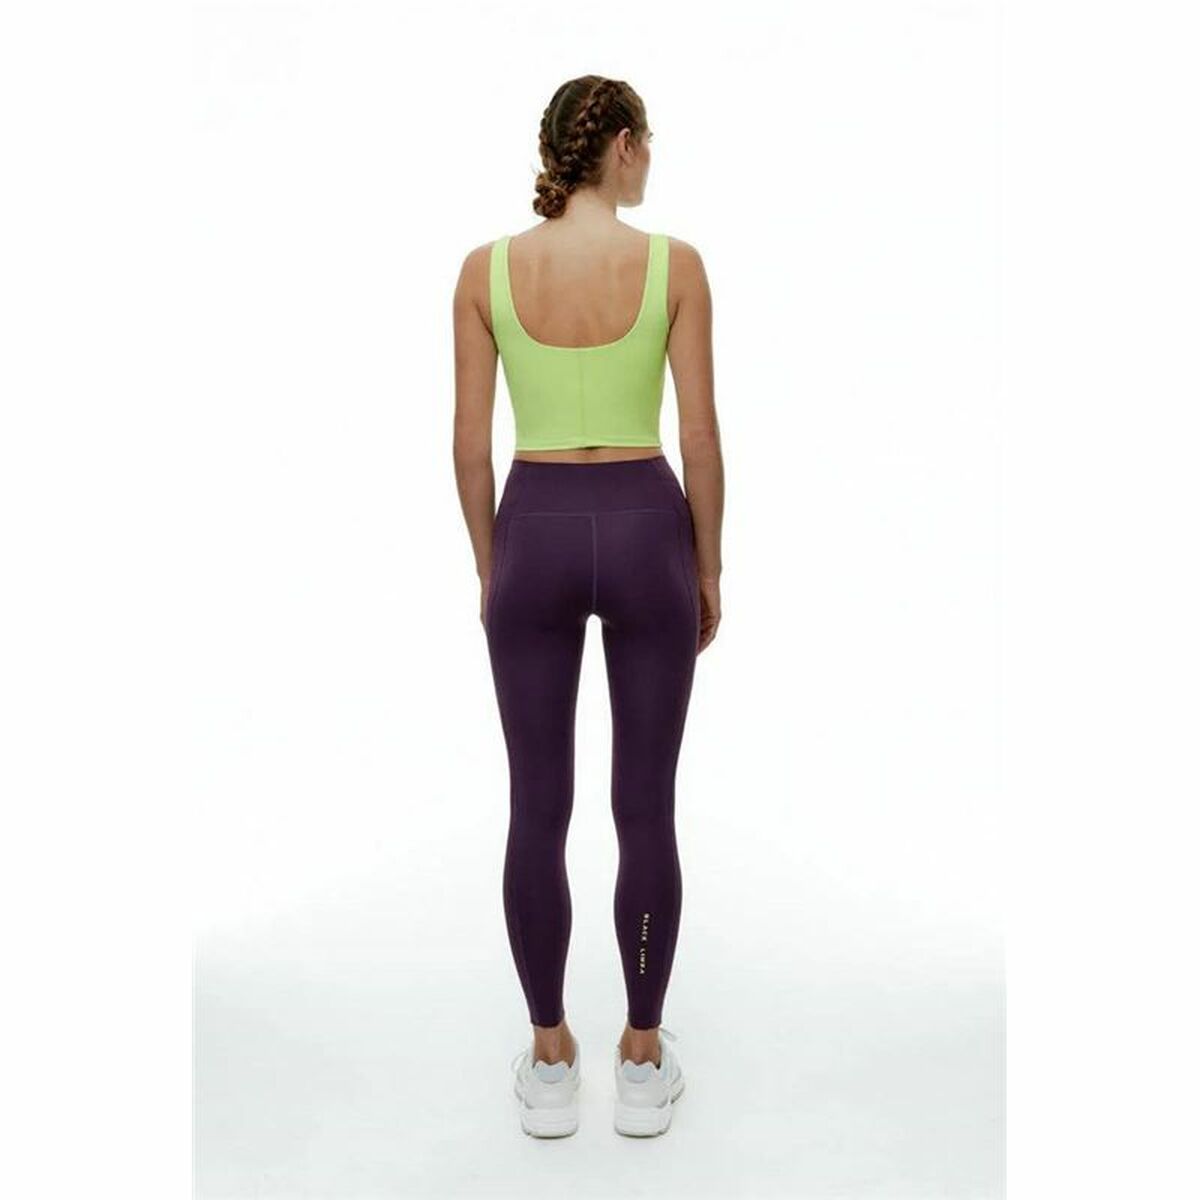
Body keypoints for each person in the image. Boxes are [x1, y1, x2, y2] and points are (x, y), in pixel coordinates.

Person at [452, 75, 724, 1138]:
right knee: (644, 806)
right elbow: (699, 436)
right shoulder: (675, 266)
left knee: (538, 805)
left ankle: (550, 1057)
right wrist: (708, 565)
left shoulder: (486, 271)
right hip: (649, 526)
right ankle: (643, 1061)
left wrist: (493, 566)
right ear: (620, 144)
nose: (652, 160)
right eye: (648, 142)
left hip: (535, 528)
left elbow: (467, 445)